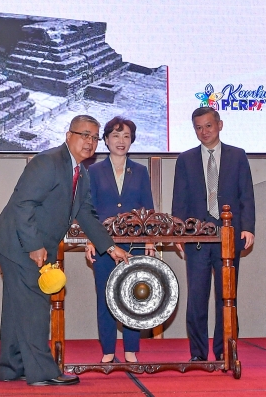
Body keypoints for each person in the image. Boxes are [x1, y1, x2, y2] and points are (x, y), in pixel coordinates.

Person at [0, 115, 130, 386]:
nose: (89, 142)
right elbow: (23, 205)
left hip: (25, 245)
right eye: (84, 135)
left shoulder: (82, 173)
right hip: (19, 244)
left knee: (17, 308)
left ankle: (11, 367)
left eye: (93, 137)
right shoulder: (48, 162)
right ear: (69, 136)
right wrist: (35, 246)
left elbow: (87, 215)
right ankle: (43, 372)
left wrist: (111, 248)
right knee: (35, 308)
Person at [171, 106, 255, 362]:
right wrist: (178, 234)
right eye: (198, 127)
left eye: (208, 125)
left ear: (220, 124)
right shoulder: (184, 159)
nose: (204, 131)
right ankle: (197, 353)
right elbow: (179, 201)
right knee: (196, 298)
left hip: (229, 237)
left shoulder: (237, 156)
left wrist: (248, 227)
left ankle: (225, 350)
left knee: (226, 297)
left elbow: (246, 196)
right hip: (196, 238)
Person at [85, 117, 155, 364]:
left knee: (133, 296)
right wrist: (91, 240)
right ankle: (107, 350)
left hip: (134, 243)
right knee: (105, 295)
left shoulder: (141, 171)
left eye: (126, 136)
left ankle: (131, 349)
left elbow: (148, 209)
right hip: (103, 243)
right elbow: (88, 210)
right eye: (115, 136)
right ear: (105, 140)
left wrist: (150, 240)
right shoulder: (93, 171)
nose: (121, 141)